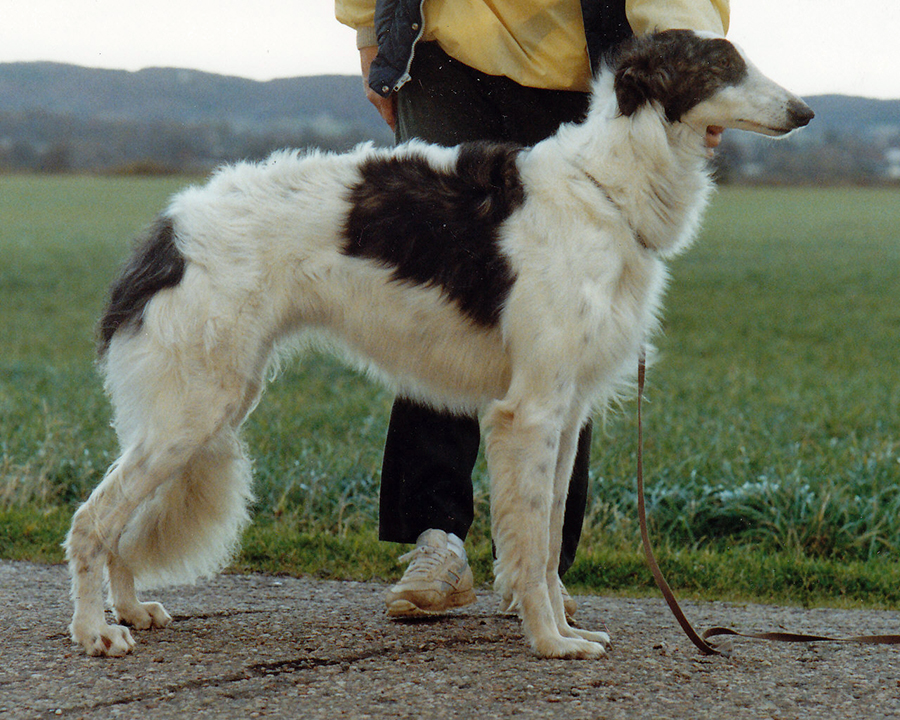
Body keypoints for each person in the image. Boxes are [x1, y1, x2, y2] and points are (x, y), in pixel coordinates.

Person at [335, 0, 729, 618]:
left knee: (571, 320)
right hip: (442, 54)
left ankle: (538, 571)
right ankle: (437, 540)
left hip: (581, 65)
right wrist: (369, 36)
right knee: (441, 305)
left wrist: (699, 69)